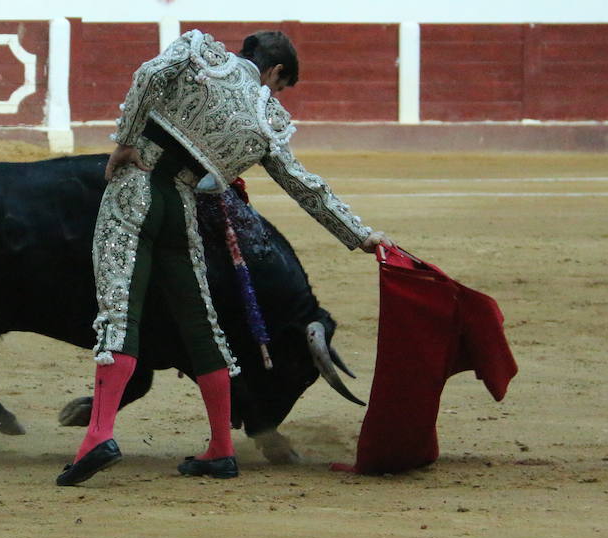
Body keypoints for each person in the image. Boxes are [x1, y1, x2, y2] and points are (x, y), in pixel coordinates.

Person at [56, 29, 389, 487]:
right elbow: (304, 186)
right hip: (183, 211)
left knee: (119, 313)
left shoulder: (199, 51)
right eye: (280, 85)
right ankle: (221, 448)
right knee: (202, 326)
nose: (274, 94)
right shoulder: (267, 118)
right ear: (275, 71)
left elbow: (150, 73)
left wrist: (126, 139)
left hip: (136, 189)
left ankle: (98, 436)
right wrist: (362, 236)